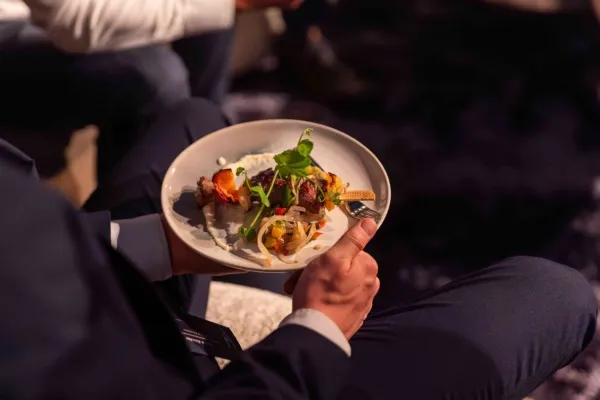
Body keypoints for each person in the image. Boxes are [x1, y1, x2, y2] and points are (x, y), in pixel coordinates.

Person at [0, 98, 597, 399]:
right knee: (555, 295)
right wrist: (317, 330)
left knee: (193, 117)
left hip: (99, 293)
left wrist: (156, 245)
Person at [0, 0, 299, 179]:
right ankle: (121, 232)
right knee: (156, 76)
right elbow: (74, 21)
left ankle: (206, 157)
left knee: (213, 23)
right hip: (12, 19)